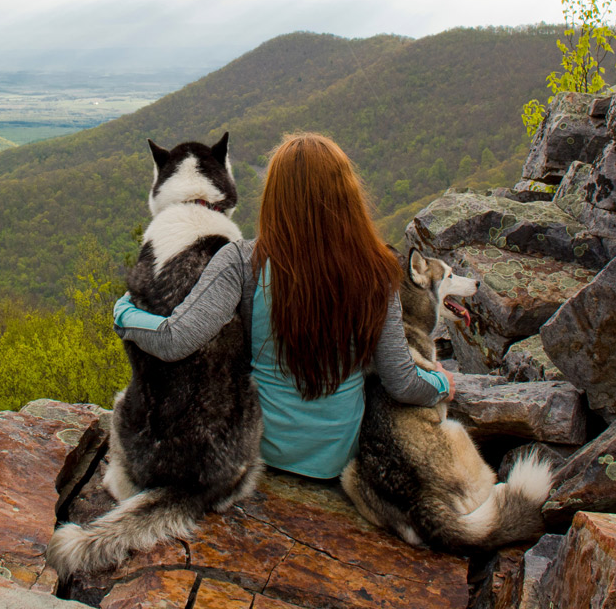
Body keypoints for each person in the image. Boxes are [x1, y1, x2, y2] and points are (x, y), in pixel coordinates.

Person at [113, 132, 451, 480]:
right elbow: (402, 383)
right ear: (348, 195)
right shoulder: (378, 271)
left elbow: (175, 340)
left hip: (262, 451)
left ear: (274, 196)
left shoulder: (242, 261)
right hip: (337, 458)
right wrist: (441, 385)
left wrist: (125, 313)